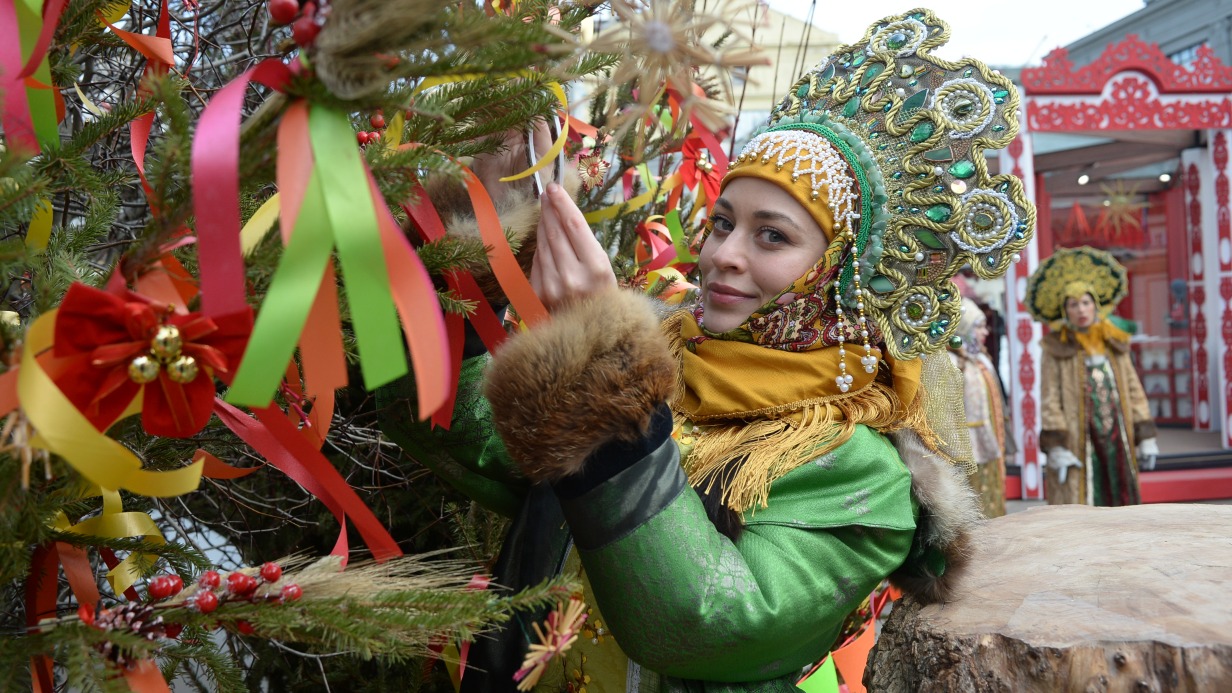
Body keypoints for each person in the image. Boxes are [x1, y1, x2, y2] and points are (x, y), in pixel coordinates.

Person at [379, 9, 1032, 691]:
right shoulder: (661, 356)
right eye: (722, 223)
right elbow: (467, 440)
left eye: (771, 236)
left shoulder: (860, 471)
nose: (722, 255)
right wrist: (469, 254)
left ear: (837, 271)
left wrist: (602, 369)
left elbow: (701, 621)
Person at [1026, 246, 1159, 506]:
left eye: (1086, 302)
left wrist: (1146, 436)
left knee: (1120, 493)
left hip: (1116, 435)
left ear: (1096, 305)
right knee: (1081, 501)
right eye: (1073, 304)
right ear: (1065, 311)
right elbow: (1050, 397)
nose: (1081, 310)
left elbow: (1133, 389)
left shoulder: (1113, 340)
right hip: (1078, 439)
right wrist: (1056, 446)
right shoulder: (1056, 347)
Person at [948, 299, 1013, 517]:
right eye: (978, 326)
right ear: (962, 327)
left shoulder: (980, 358)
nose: (985, 331)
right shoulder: (952, 362)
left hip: (989, 444)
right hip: (968, 450)